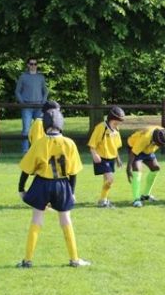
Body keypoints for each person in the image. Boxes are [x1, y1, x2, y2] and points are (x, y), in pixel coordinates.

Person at [16, 106, 89, 268]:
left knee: (36, 219)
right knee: (65, 219)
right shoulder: (69, 143)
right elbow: (73, 171)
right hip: (62, 184)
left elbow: (26, 169)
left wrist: (21, 188)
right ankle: (74, 259)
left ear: (44, 125)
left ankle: (27, 261)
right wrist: (72, 191)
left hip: (41, 184)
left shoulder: (39, 143)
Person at [126, 125, 165, 207]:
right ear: (155, 140)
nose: (161, 146)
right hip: (134, 147)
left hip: (148, 149)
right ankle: (136, 199)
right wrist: (128, 168)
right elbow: (133, 153)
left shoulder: (164, 134)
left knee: (155, 168)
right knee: (137, 169)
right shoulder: (145, 138)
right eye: (160, 144)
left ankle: (146, 195)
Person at [87, 106, 125, 208]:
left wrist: (118, 159)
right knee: (110, 179)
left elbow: (115, 146)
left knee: (107, 180)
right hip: (102, 158)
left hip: (112, 158)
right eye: (118, 120)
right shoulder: (101, 127)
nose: (119, 123)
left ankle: (104, 199)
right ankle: (103, 200)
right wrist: (94, 154)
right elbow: (92, 144)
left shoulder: (116, 129)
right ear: (112, 118)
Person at [15, 57, 49, 153]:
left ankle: (38, 149)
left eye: (35, 64)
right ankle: (25, 150)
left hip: (39, 107)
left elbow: (45, 91)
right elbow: (17, 92)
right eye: (31, 64)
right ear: (28, 65)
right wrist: (22, 102)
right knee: (26, 129)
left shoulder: (41, 77)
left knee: (40, 129)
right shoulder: (23, 77)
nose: (33, 66)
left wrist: (43, 101)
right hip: (27, 107)